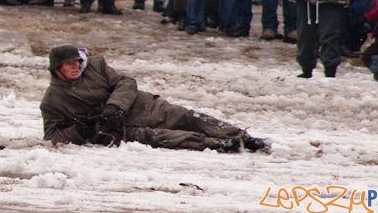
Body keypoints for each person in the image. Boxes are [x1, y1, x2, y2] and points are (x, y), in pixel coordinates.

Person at [40, 44, 267, 152]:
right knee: (166, 137)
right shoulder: (52, 100)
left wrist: (114, 106)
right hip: (122, 130)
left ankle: (242, 136)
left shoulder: (95, 66)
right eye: (69, 64)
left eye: (77, 62)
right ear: (57, 68)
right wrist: (79, 131)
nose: (76, 66)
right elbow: (51, 135)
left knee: (188, 117)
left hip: (142, 106)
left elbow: (126, 82)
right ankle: (218, 144)